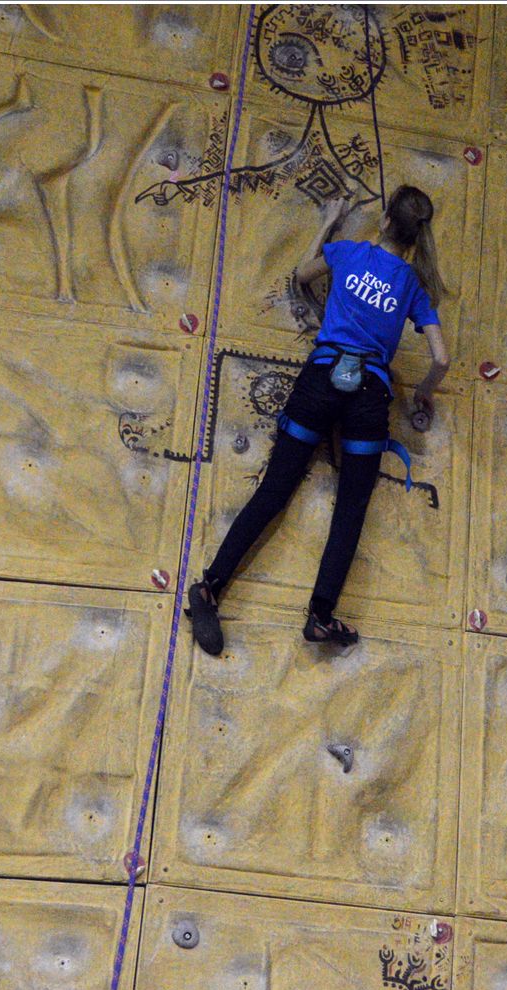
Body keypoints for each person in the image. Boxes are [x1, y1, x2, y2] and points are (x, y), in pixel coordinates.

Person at [185, 185, 451, 653]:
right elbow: (441, 358)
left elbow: (302, 275)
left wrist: (329, 221)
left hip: (321, 380)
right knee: (349, 511)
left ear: (385, 221)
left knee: (275, 491)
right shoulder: (413, 286)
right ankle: (321, 617)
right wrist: (422, 395)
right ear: (416, 237)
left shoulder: (348, 252)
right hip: (368, 395)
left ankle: (210, 588)